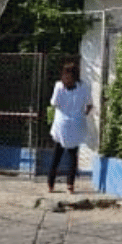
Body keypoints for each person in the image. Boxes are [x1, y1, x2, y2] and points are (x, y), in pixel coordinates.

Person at [48, 62, 92, 194]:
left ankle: (51, 185)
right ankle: (70, 186)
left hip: (61, 125)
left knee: (56, 156)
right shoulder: (83, 87)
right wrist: (80, 115)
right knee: (73, 158)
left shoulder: (59, 86)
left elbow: (54, 103)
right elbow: (89, 105)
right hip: (76, 125)